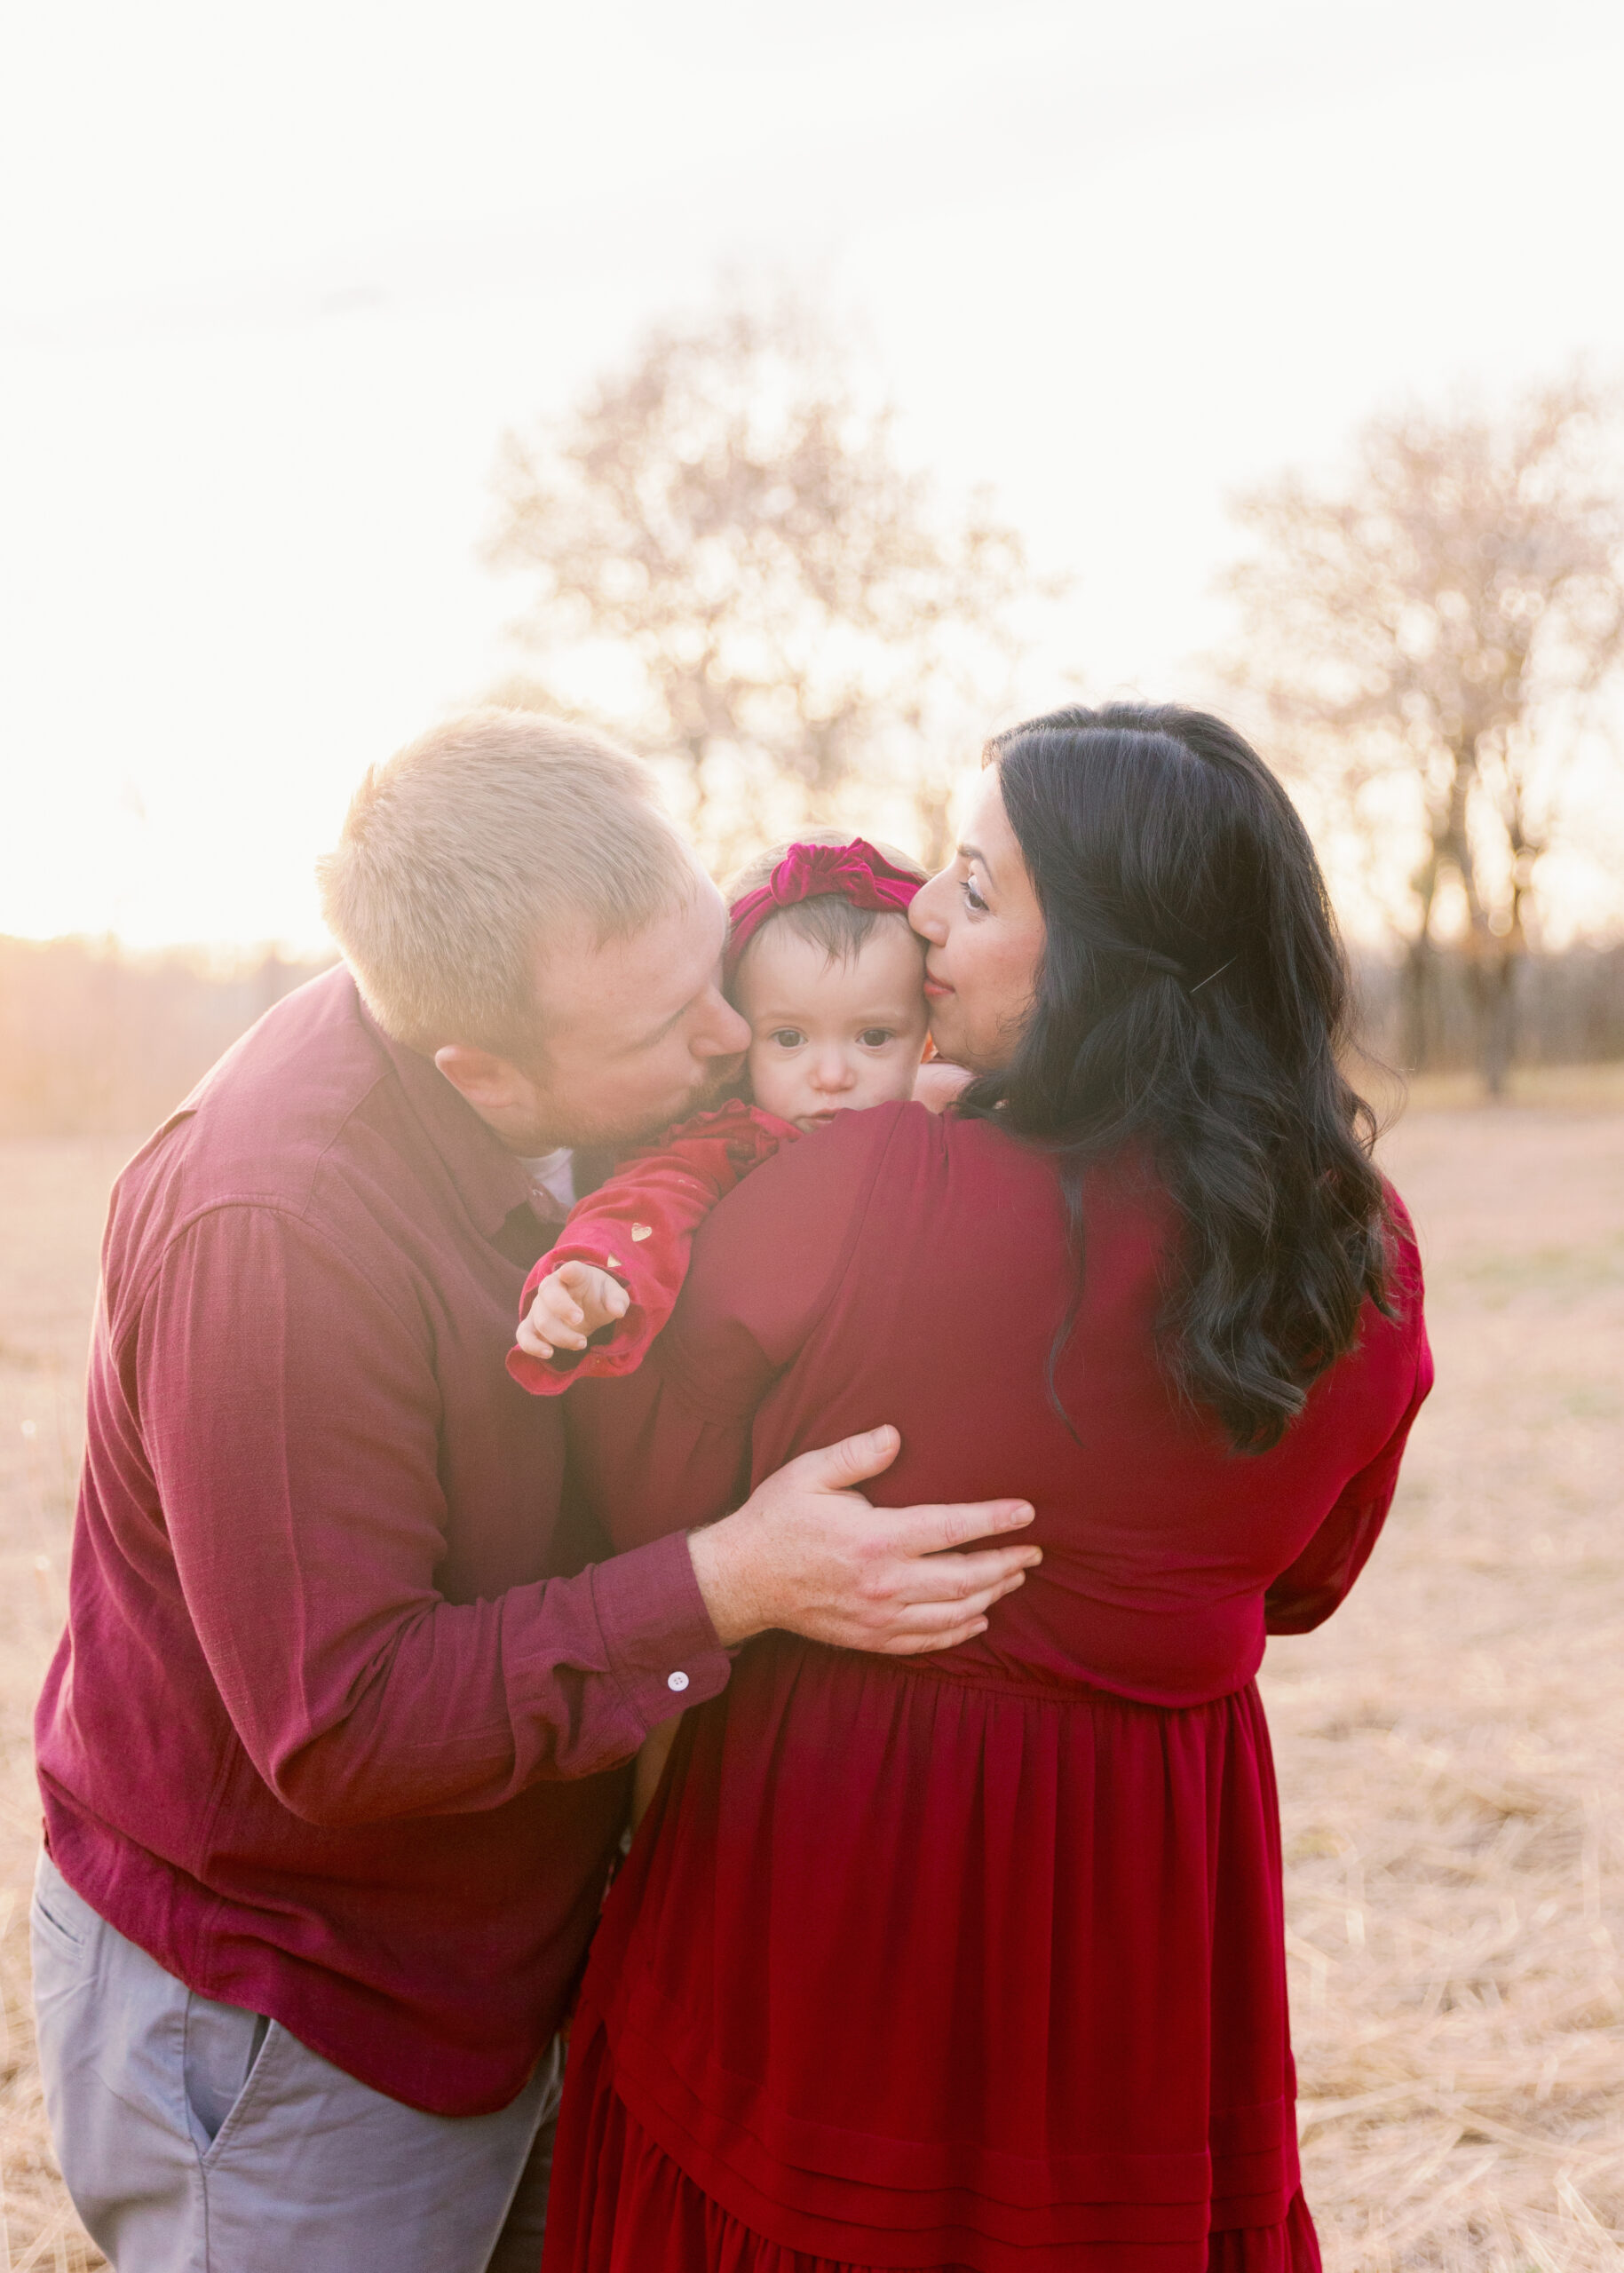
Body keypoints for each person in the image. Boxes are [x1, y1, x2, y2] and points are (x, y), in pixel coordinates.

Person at [28, 710, 1039, 2273]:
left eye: (712, 968)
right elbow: (344, 1716)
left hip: (524, 1947)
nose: (726, 1040)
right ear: (478, 1068)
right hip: (296, 2009)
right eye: (666, 1029)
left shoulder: (603, 1070)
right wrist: (731, 1582)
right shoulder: (274, 1238)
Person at [541, 703, 1435, 2273]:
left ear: (1100, 949)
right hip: (1145, 1940)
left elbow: (637, 1510)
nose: (918, 921)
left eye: (969, 884)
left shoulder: (856, 1191)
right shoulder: (1348, 1244)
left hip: (822, 1919)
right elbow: (1298, 1587)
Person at [508, 833, 931, 1389]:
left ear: (926, 1042)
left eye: (873, 1037)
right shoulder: (732, 1146)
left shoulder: (952, 1136)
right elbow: (649, 1204)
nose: (832, 1076)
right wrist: (595, 1271)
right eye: (788, 1037)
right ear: (741, 1038)